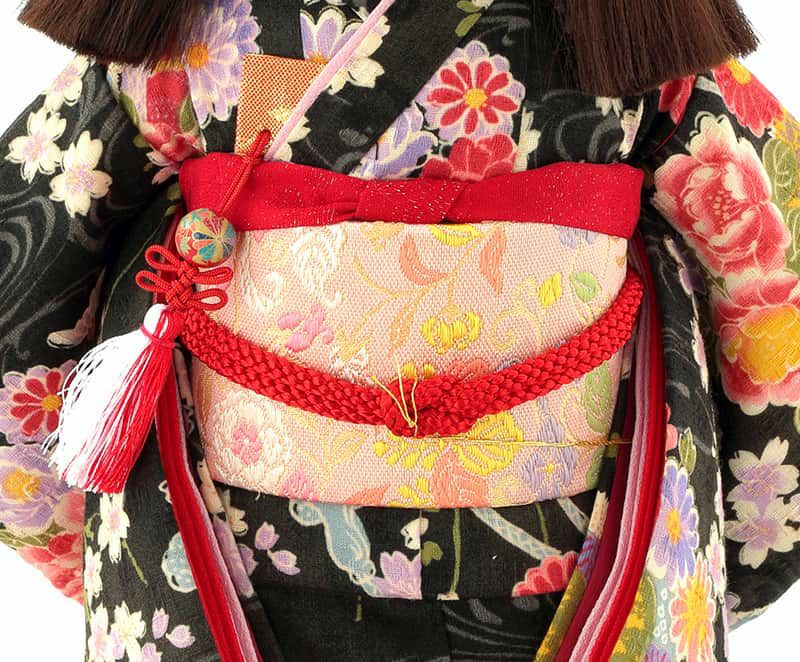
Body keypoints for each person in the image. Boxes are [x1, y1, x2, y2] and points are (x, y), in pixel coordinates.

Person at [1, 1, 796, 660]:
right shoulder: (634, 29)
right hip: (570, 546)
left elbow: (19, 282)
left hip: (233, 541)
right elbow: (778, 274)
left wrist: (81, 526)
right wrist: (742, 551)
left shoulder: (188, 34)